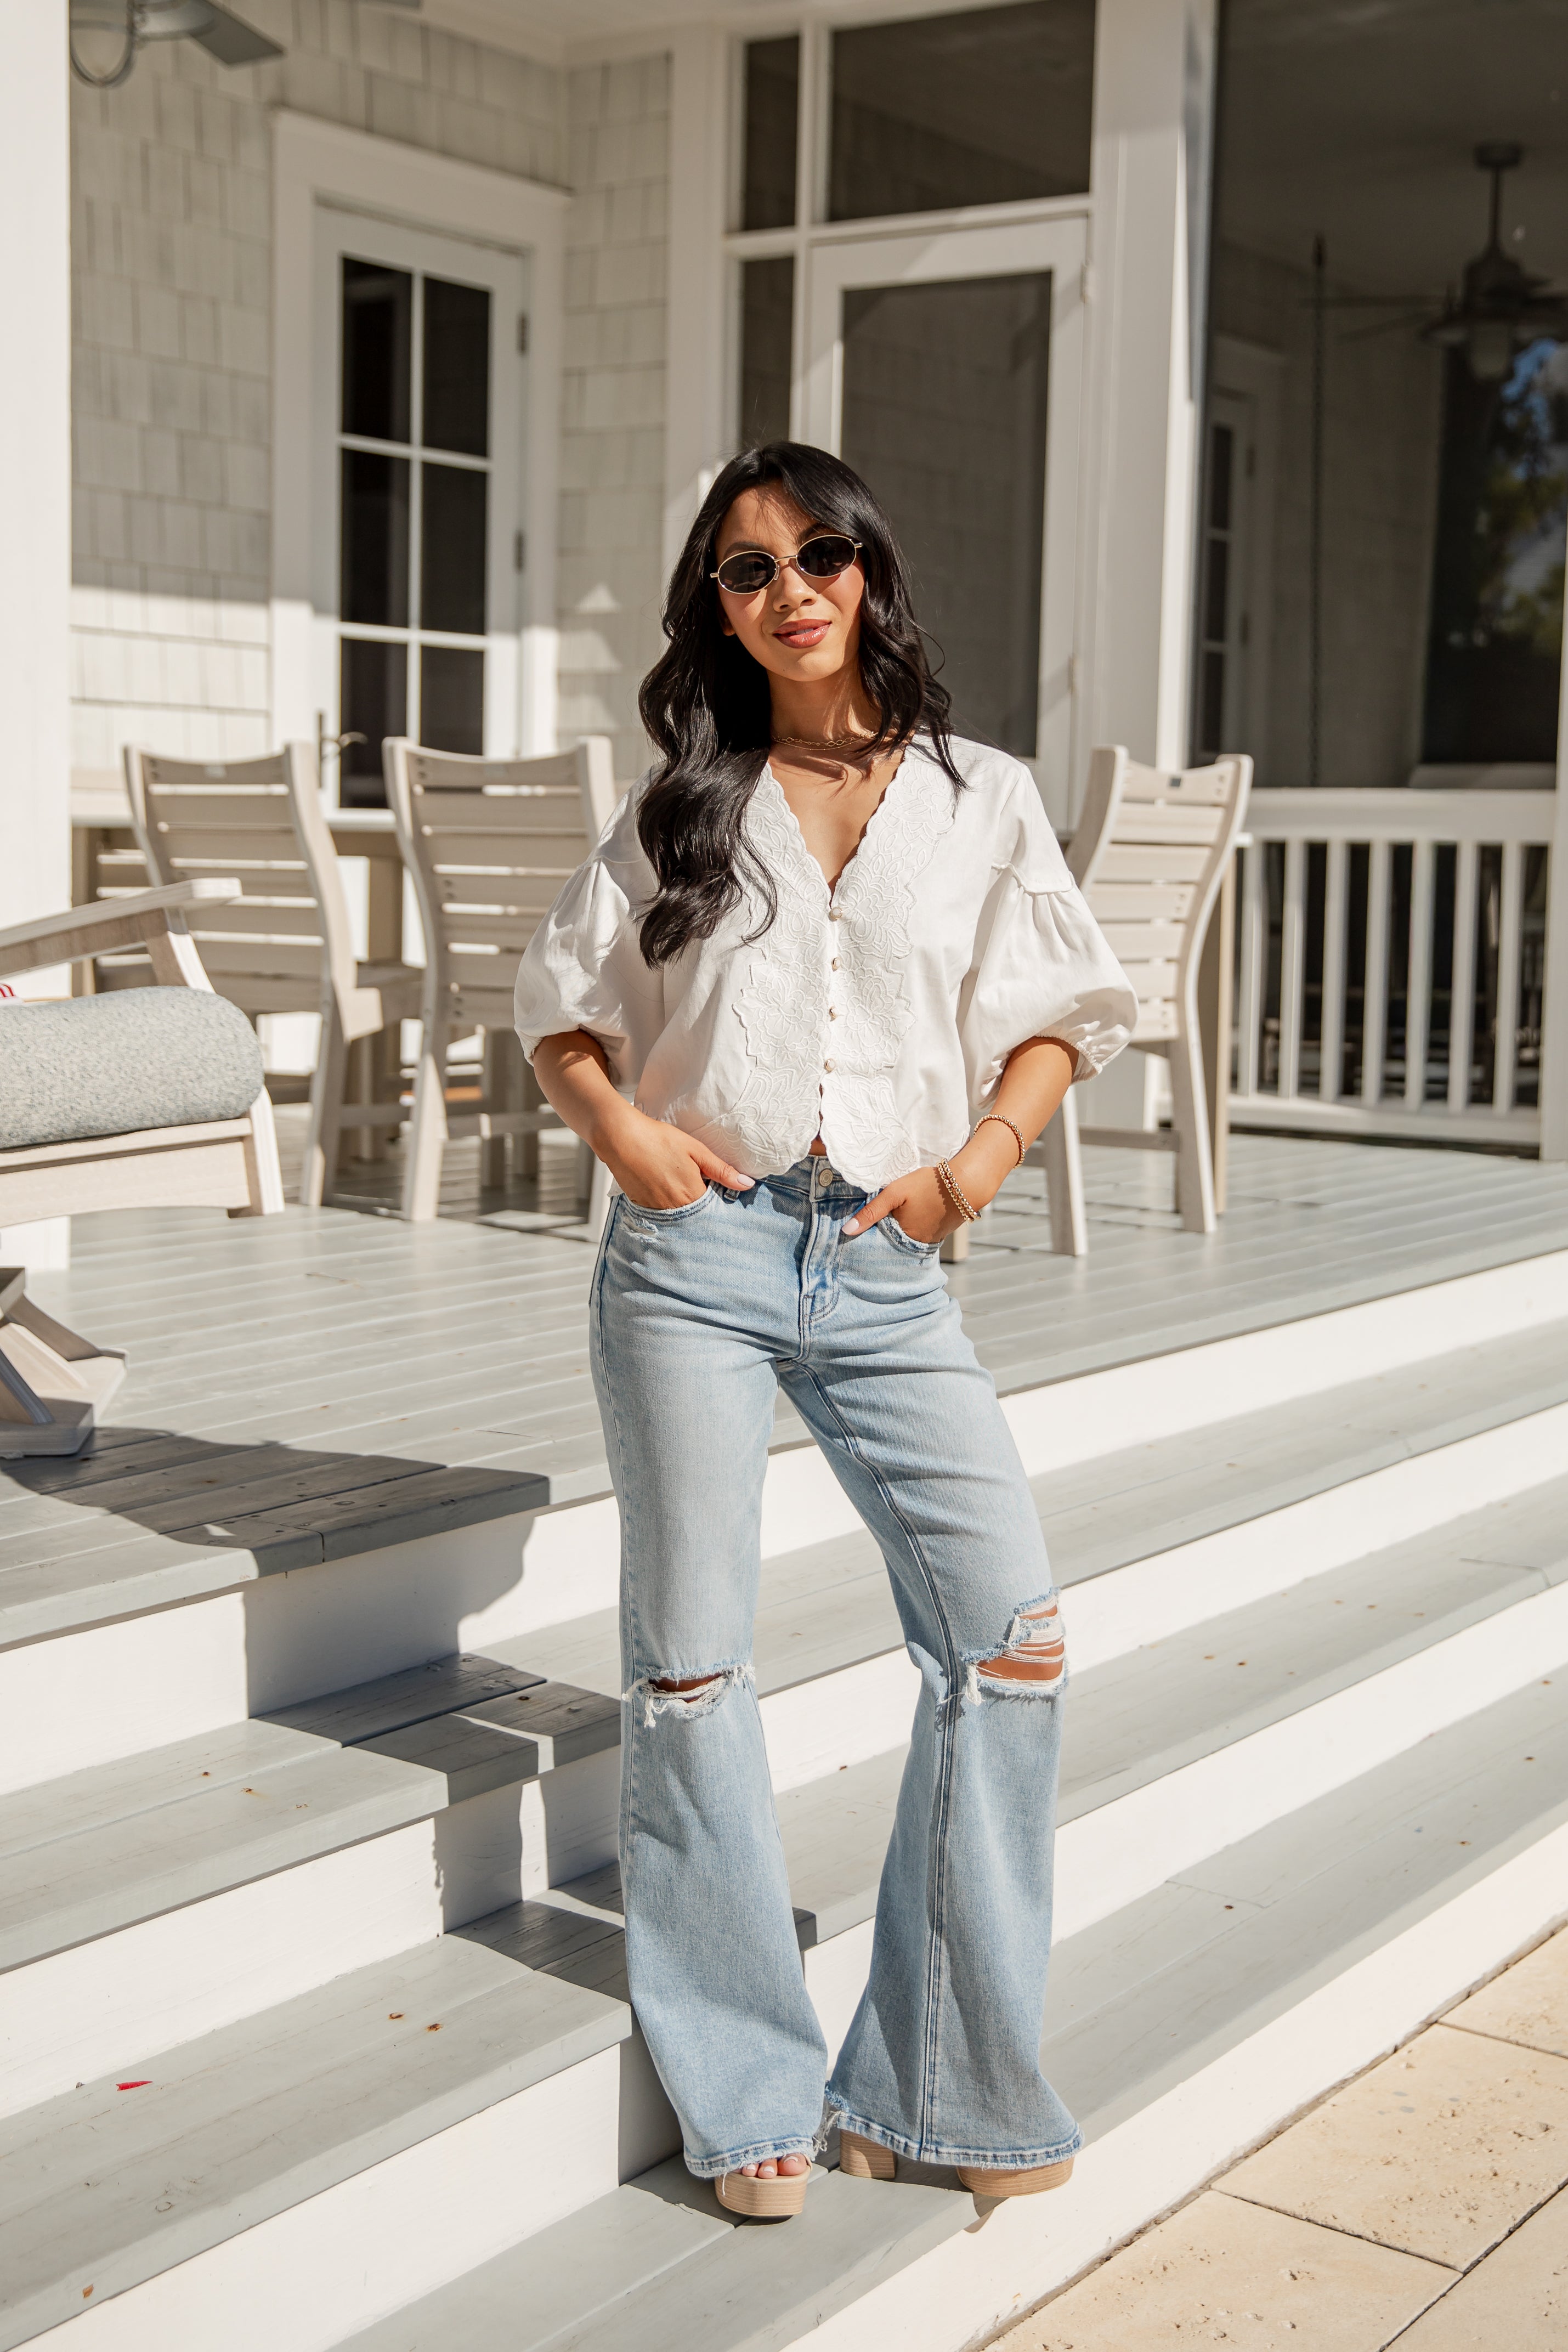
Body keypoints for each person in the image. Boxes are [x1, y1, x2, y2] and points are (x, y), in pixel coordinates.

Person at [516, 441, 1135, 2220]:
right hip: (696, 1263)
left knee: (1007, 1643)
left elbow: (1062, 1012)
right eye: (742, 568)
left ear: (867, 571)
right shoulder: (683, 800)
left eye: (815, 555)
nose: (784, 590)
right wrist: (628, 1137)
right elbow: (563, 1006)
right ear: (712, 608)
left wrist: (971, 1174)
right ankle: (747, 2089)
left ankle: (936, 2086)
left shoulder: (978, 795)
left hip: (885, 1262)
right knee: (696, 1669)